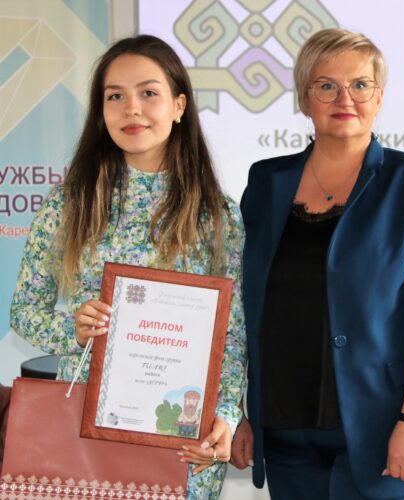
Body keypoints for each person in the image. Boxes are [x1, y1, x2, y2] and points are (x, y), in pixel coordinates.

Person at [233, 28, 404, 499]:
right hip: (283, 432)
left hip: (382, 430)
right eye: (326, 85)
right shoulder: (265, 182)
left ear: (379, 97)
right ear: (305, 98)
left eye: (360, 85)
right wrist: (241, 409)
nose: (345, 98)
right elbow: (247, 306)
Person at [10, 34, 246, 500]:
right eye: (114, 96)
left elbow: (232, 334)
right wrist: (74, 330)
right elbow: (23, 311)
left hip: (182, 438)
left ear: (179, 106)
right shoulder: (71, 202)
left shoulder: (216, 213)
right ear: (101, 112)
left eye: (148, 93)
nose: (131, 109)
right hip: (83, 436)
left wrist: (226, 414)